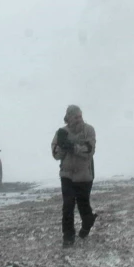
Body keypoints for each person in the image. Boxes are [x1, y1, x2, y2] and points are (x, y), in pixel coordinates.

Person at [51, 104, 96, 247]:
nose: (79, 119)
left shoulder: (89, 130)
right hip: (67, 175)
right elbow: (56, 155)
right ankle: (68, 236)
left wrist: (73, 147)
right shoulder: (61, 132)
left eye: (80, 116)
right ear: (68, 118)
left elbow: (89, 151)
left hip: (84, 175)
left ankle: (87, 223)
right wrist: (63, 146)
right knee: (68, 205)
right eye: (76, 117)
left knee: (83, 204)